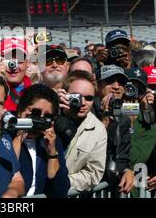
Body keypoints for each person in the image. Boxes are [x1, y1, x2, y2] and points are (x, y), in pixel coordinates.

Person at [13, 84, 70, 197]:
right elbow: (5, 174)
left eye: (47, 116)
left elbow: (60, 190)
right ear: (21, 110)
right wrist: (20, 134)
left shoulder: (52, 140)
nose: (40, 119)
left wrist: (52, 154)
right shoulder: (5, 134)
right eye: (36, 113)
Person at [55, 70, 107, 192]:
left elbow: (92, 174)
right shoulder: (49, 113)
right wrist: (54, 108)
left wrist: (62, 182)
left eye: (89, 98)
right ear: (64, 94)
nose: (82, 103)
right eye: (76, 97)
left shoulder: (98, 130)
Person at [95, 65, 134, 194]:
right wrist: (104, 120)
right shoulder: (87, 111)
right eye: (110, 81)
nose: (116, 87)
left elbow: (122, 155)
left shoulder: (123, 117)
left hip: (109, 188)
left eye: (121, 83)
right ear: (98, 85)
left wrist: (126, 170)